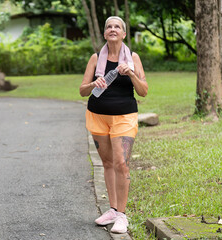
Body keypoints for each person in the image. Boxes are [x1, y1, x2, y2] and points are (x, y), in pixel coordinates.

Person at [79, 16, 148, 234]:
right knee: (107, 163)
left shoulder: (133, 57)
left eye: (117, 26)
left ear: (124, 33)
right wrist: (93, 83)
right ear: (105, 33)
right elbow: (82, 90)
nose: (112, 29)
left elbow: (144, 91)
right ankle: (112, 209)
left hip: (125, 117)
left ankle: (122, 215)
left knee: (121, 163)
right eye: (109, 26)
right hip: (98, 116)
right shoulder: (96, 57)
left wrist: (131, 74)